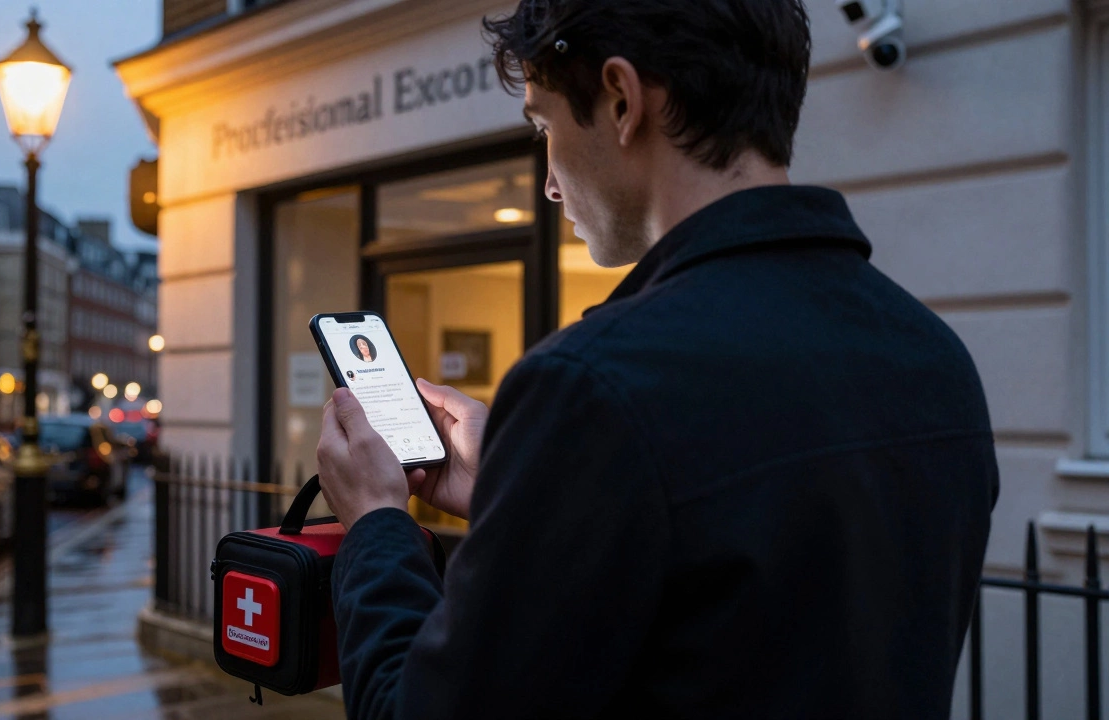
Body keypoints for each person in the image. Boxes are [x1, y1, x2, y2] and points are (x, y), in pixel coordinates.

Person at [316, 1, 999, 718]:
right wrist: (521, 494)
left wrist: (375, 524)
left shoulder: (595, 388)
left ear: (620, 100)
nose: (549, 183)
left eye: (545, 126)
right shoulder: (935, 359)